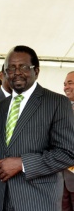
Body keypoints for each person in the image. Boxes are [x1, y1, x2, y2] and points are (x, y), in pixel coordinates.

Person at [0, 45, 74, 211]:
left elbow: (68, 152)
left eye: (24, 67)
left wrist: (23, 163)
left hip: (36, 201)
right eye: (11, 68)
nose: (17, 72)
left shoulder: (57, 103)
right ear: (4, 73)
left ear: (37, 71)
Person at [62, 71, 74, 211]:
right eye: (65, 84)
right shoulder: (63, 108)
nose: (66, 87)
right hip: (62, 180)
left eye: (70, 83)